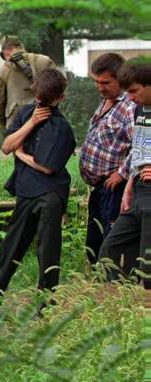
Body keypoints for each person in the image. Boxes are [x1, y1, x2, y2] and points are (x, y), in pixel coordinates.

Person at [0, 69, 76, 303]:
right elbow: (6, 146)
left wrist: (21, 153)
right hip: (26, 190)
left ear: (59, 98)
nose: (41, 103)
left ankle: (46, 302)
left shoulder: (61, 128)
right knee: (11, 248)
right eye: (38, 98)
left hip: (51, 194)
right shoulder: (26, 114)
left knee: (47, 251)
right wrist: (32, 123)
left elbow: (47, 167)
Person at [79, 53, 136, 263]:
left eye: (105, 82)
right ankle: (97, 283)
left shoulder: (129, 106)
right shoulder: (105, 102)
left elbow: (141, 145)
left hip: (115, 187)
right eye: (96, 82)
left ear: (119, 79)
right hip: (99, 186)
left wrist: (121, 174)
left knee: (110, 242)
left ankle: (112, 285)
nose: (100, 87)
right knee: (93, 241)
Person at [99, 62, 151, 286]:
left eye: (133, 91)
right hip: (138, 190)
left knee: (147, 264)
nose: (129, 98)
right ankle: (126, 301)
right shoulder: (139, 109)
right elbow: (138, 150)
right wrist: (128, 188)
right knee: (110, 249)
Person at [0, 37, 57, 128]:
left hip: (16, 126)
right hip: (46, 121)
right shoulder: (45, 61)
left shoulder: (3, 70)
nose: (5, 60)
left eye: (4, 56)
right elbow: (60, 87)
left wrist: (7, 124)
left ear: (7, 51)